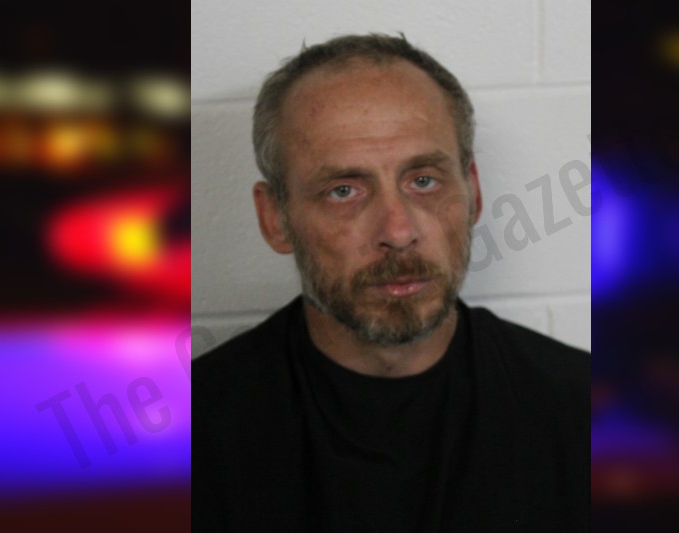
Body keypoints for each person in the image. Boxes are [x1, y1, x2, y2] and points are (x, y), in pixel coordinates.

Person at [193, 33, 589, 532]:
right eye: (343, 190)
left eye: (423, 180)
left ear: (473, 191)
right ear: (275, 218)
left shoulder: (589, 414)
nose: (398, 233)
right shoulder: (188, 439)